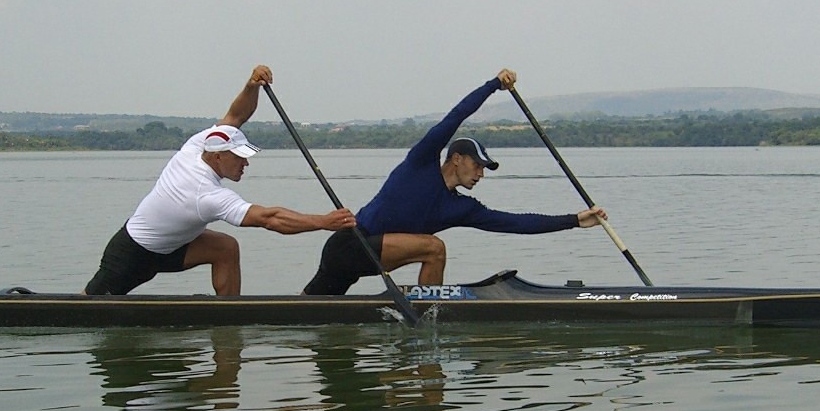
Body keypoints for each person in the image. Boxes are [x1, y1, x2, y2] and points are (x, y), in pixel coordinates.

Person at [302, 68, 607, 295]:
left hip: (370, 257)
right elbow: (455, 116)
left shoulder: (461, 208)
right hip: (349, 246)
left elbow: (516, 222)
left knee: (309, 309)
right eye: (477, 165)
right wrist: (493, 86)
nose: (480, 174)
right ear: (457, 159)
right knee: (435, 248)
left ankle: (422, 311)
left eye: (485, 169)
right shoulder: (421, 162)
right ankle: (429, 314)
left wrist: (575, 220)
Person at [84, 65, 356, 295]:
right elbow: (269, 219)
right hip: (132, 254)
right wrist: (322, 222)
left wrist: (252, 86)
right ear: (216, 158)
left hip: (174, 246)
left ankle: (228, 313)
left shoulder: (199, 144)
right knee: (88, 303)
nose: (245, 163)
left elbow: (236, 116)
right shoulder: (206, 194)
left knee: (225, 247)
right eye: (238, 157)